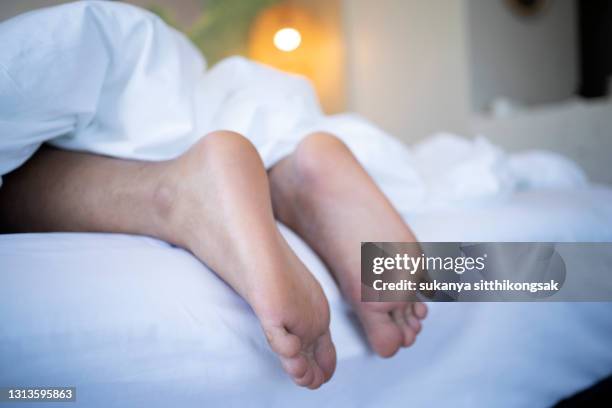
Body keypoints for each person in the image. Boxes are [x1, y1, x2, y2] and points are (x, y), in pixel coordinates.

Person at [0, 1, 426, 389]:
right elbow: (479, 273)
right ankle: (281, 176)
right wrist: (479, 270)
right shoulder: (487, 256)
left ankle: (171, 192)